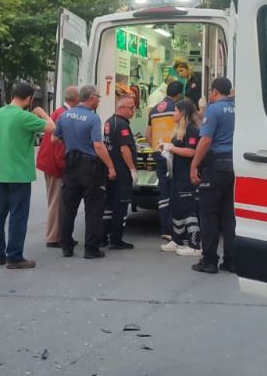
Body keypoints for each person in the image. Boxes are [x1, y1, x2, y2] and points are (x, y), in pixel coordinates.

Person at [0, 82, 55, 270]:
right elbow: (53, 128)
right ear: (30, 98)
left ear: (12, 95)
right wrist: (41, 112)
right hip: (19, 174)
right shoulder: (24, 117)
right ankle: (14, 256)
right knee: (18, 216)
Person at [55, 85, 117, 259]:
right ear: (91, 98)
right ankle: (91, 248)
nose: (99, 100)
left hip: (71, 166)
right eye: (98, 97)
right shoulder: (93, 118)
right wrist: (110, 166)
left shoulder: (65, 115)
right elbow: (98, 145)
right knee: (93, 209)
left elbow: (56, 137)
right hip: (89, 167)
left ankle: (66, 246)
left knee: (68, 209)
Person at [190, 77, 236, 274]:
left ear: (215, 91)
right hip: (233, 166)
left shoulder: (214, 109)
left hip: (215, 166)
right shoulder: (238, 109)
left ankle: (209, 260)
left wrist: (194, 165)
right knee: (228, 216)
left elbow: (206, 140)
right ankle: (232, 260)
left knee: (208, 214)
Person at [37, 86, 78, 248]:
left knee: (56, 201)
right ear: (77, 99)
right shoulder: (65, 115)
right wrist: (64, 168)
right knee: (56, 201)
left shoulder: (60, 111)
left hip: (49, 162)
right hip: (54, 165)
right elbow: (59, 145)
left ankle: (57, 234)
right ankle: (54, 237)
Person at [162, 99, 202, 256]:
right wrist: (166, 149)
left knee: (188, 209)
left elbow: (191, 152)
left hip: (187, 176)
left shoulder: (192, 130)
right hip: (176, 175)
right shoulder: (179, 130)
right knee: (176, 208)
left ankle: (194, 244)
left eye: (176, 111)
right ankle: (177, 240)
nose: (174, 113)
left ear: (183, 113)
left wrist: (171, 148)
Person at [146, 81, 183, 250]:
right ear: (179, 95)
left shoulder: (154, 109)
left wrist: (156, 146)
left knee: (163, 189)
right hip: (173, 153)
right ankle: (173, 229)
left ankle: (165, 228)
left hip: (158, 152)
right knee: (174, 190)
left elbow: (148, 134)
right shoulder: (177, 109)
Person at [102, 96, 138, 250]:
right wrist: (132, 169)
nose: (133, 110)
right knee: (121, 206)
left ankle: (103, 236)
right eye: (130, 107)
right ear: (121, 108)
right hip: (122, 171)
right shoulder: (122, 125)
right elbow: (124, 149)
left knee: (108, 205)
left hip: (110, 170)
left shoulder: (109, 121)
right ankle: (117, 239)